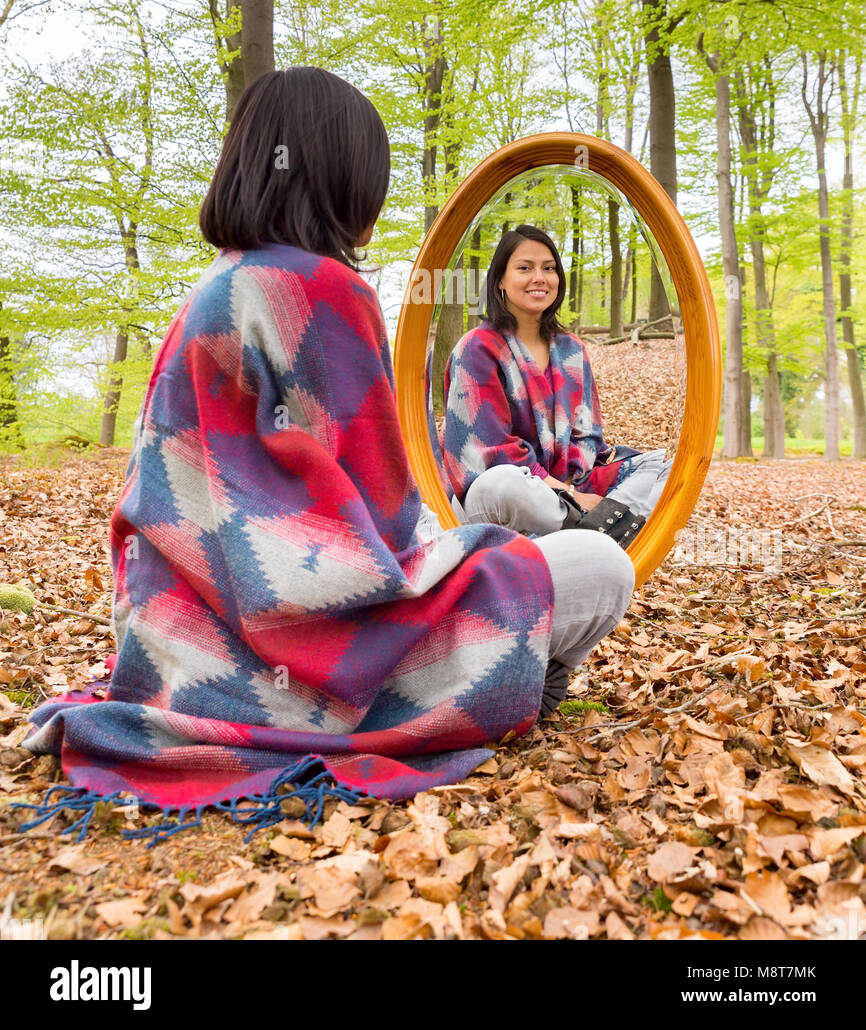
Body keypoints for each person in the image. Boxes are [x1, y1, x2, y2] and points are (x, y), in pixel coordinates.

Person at [21, 72, 633, 842]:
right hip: (303, 648)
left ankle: (495, 668)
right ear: (343, 179)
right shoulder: (327, 293)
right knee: (601, 569)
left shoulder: (214, 288)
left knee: (515, 532)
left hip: (170, 642)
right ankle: (487, 688)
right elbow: (383, 521)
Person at [442, 223, 673, 538]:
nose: (540, 277)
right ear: (500, 281)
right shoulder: (477, 347)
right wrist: (570, 496)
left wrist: (574, 484)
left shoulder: (571, 350)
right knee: (506, 483)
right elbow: (487, 449)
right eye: (525, 268)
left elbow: (588, 436)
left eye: (548, 268)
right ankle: (601, 528)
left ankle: (591, 531)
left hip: (567, 488)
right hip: (506, 494)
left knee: (663, 471)